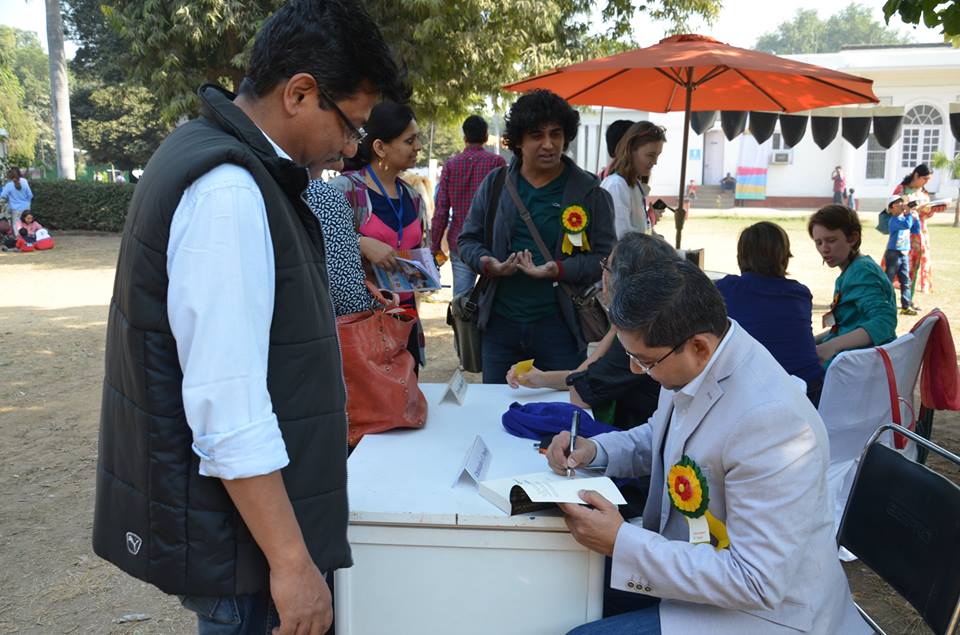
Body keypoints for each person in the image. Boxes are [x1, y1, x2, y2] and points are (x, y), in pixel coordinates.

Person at [91, 2, 407, 634]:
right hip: (246, 553)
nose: (350, 150)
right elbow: (226, 406)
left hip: (243, 539)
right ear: (299, 93)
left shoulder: (218, 157)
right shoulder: (231, 189)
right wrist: (292, 563)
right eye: (351, 126)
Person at [546, 259, 868, 635]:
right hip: (699, 565)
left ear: (698, 346)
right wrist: (597, 451)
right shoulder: (701, 357)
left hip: (768, 613)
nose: (636, 370)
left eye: (644, 361)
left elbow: (756, 581)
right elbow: (663, 436)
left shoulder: (771, 423)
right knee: (563, 578)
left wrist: (622, 542)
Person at [458, 89, 616, 384]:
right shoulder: (496, 184)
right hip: (500, 325)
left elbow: (607, 259)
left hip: (560, 328)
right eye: (536, 135)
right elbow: (467, 240)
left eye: (556, 134)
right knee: (497, 409)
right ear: (517, 141)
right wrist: (488, 263)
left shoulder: (589, 192)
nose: (549, 144)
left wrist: (558, 269)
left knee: (558, 412)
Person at [506, 232, 678, 429]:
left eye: (606, 265)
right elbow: (589, 376)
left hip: (641, 441)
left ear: (617, 280)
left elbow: (580, 393)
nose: (602, 273)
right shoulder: (658, 316)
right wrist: (542, 379)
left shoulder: (640, 335)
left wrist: (615, 329)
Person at [329, 101, 429, 369]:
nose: (418, 146)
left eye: (417, 138)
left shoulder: (414, 198)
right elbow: (313, 241)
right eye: (410, 140)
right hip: (361, 330)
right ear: (380, 147)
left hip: (404, 325)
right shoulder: (344, 191)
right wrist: (360, 243)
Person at [716, 221, 825, 406]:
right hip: (810, 389)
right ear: (784, 256)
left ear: (741, 256)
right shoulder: (800, 293)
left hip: (757, 393)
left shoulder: (727, 289)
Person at [809, 205, 897, 367]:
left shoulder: (862, 272)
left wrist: (831, 346)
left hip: (860, 367)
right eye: (818, 243)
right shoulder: (854, 269)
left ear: (853, 238)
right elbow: (848, 326)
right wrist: (814, 342)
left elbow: (884, 322)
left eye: (831, 240)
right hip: (854, 361)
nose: (824, 249)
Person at [430, 114, 507, 297]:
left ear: (464, 137)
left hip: (460, 241)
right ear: (486, 137)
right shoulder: (497, 163)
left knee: (461, 302)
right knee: (492, 298)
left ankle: (462, 326)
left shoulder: (451, 165)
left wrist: (435, 244)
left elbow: (441, 210)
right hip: (491, 242)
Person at [304, 165, 381, 316]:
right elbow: (346, 291)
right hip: (318, 324)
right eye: (350, 139)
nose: (350, 149)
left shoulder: (262, 179)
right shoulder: (322, 195)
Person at [600, 122, 666, 238]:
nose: (655, 162)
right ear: (630, 151)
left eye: (658, 155)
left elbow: (642, 230)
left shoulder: (635, 185)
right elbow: (623, 238)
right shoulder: (616, 185)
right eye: (650, 155)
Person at [893, 163, 934, 294]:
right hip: (903, 232)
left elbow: (927, 214)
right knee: (899, 263)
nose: (926, 182)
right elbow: (892, 209)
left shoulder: (923, 193)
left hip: (920, 233)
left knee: (916, 263)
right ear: (916, 175)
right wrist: (910, 209)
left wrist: (930, 210)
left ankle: (909, 297)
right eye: (925, 178)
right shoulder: (901, 189)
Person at [881, 195, 921, 316]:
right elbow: (907, 225)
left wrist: (916, 218)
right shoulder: (894, 220)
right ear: (892, 207)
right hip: (893, 254)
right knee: (889, 280)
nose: (902, 205)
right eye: (899, 203)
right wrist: (909, 213)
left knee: (905, 281)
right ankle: (884, 304)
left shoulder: (905, 218)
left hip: (904, 253)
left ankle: (906, 306)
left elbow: (915, 230)